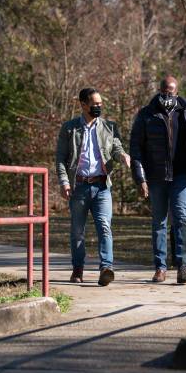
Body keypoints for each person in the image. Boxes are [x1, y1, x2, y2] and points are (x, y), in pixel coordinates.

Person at [130, 76, 186, 283]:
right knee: (159, 221)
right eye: (164, 90)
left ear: (177, 91)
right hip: (156, 175)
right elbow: (135, 148)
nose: (167, 94)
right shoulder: (147, 114)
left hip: (181, 174)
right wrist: (140, 179)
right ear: (159, 90)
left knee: (181, 217)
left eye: (171, 91)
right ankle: (160, 267)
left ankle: (184, 265)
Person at [56, 88, 130, 286]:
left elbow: (116, 147)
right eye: (95, 104)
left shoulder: (109, 127)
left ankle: (106, 268)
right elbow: (61, 159)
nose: (99, 107)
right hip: (78, 186)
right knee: (77, 231)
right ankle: (77, 269)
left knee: (105, 227)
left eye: (100, 104)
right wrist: (64, 181)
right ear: (83, 104)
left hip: (102, 186)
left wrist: (122, 156)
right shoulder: (69, 128)